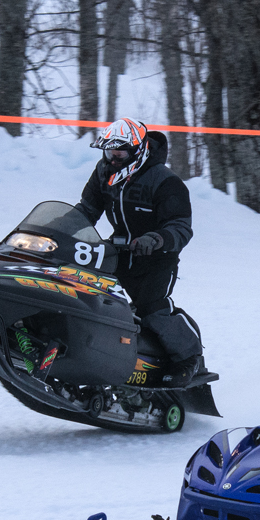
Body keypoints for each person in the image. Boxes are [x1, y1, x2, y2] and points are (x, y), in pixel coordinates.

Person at [74, 117, 205, 386]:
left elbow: (181, 226)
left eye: (119, 154)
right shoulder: (103, 173)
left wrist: (156, 239)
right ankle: (94, 351)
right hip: (118, 251)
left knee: (151, 308)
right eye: (109, 153)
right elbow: (86, 210)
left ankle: (188, 358)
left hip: (158, 257)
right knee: (91, 295)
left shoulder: (166, 182)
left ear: (137, 151)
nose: (113, 160)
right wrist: (59, 229)